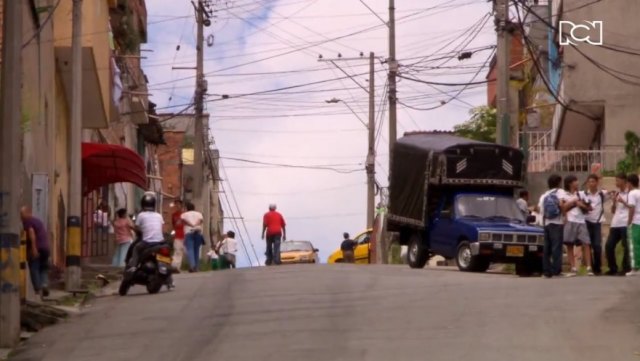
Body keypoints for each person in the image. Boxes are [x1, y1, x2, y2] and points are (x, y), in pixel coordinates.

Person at [561, 175, 594, 276]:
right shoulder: (564, 195)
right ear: (570, 183)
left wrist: (581, 204)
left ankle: (589, 267)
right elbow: (562, 207)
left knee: (586, 243)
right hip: (570, 221)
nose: (577, 182)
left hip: (581, 221)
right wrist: (574, 202)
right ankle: (573, 267)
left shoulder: (581, 194)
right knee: (569, 244)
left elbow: (590, 208)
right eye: (575, 181)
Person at [126, 193, 165, 273]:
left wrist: (137, 230)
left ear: (142, 204)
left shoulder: (141, 215)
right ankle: (167, 273)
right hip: (160, 242)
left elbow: (137, 228)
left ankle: (134, 266)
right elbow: (162, 229)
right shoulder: (159, 215)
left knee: (136, 248)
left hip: (147, 242)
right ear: (154, 204)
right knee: (165, 252)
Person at [538, 174, 564, 278]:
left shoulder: (544, 195)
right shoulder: (560, 192)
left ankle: (546, 270)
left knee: (547, 248)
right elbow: (562, 204)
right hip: (557, 222)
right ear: (558, 183)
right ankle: (556, 270)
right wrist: (565, 215)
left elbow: (540, 209)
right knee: (556, 247)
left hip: (546, 223)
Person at [20, 206, 51, 297]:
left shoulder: (28, 222)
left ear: (28, 213)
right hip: (45, 248)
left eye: (22, 214)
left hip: (37, 248)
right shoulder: (38, 221)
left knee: (34, 268)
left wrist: (34, 248)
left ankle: (38, 290)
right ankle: (44, 284)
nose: (21, 216)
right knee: (44, 268)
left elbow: (31, 232)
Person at [605, 173, 631, 276]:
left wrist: (623, 201)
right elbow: (613, 210)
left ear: (624, 181)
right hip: (615, 223)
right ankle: (612, 268)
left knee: (626, 246)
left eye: (618, 180)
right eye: (616, 180)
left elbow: (633, 208)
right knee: (609, 246)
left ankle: (625, 268)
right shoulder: (616, 194)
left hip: (625, 223)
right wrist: (614, 202)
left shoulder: (631, 194)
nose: (616, 183)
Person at [583, 174, 608, 275]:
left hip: (597, 222)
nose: (591, 184)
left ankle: (598, 268)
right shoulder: (583, 194)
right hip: (586, 222)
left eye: (593, 181)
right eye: (589, 182)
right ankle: (591, 268)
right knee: (588, 245)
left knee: (597, 245)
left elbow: (612, 193)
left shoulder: (602, 194)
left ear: (597, 183)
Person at [181, 202, 204, 272]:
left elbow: (184, 221)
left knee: (190, 249)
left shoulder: (184, 214)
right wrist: (195, 225)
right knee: (196, 250)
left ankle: (192, 266)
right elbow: (200, 221)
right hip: (198, 232)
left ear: (187, 208)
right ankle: (196, 267)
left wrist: (191, 225)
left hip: (189, 232)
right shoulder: (199, 214)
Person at [626, 174, 640, 276]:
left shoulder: (632, 193)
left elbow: (632, 208)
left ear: (629, 183)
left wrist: (629, 221)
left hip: (636, 222)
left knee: (634, 245)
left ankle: (635, 268)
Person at [171, 200, 186, 272]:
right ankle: (174, 266)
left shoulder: (185, 214)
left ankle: (178, 267)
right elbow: (173, 224)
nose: (177, 206)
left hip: (184, 235)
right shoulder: (174, 215)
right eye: (176, 205)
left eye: (178, 204)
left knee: (181, 252)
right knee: (177, 251)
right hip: (177, 235)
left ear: (181, 205)